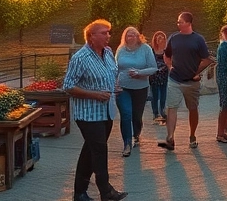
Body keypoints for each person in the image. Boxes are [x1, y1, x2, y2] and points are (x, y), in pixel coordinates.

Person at [64, 20, 128, 201]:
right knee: (99, 152)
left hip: (106, 112)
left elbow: (111, 74)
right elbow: (68, 86)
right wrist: (94, 94)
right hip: (88, 115)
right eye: (104, 33)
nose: (108, 36)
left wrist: (114, 87)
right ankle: (106, 192)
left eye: (109, 32)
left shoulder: (108, 53)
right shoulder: (80, 58)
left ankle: (79, 193)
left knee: (90, 152)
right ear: (91, 36)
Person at [159, 11, 211, 151]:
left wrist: (196, 72)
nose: (178, 24)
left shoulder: (198, 39)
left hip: (191, 82)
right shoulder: (173, 38)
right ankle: (170, 137)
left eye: (180, 22)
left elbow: (207, 59)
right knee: (172, 107)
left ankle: (192, 135)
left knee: (192, 109)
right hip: (175, 79)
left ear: (188, 23)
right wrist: (169, 66)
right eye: (178, 22)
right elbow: (166, 55)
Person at [114, 26, 156, 157]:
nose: (131, 37)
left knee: (136, 116)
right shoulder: (121, 49)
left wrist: (139, 73)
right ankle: (127, 143)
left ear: (138, 37)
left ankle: (136, 134)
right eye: (129, 35)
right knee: (126, 114)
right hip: (123, 87)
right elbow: (115, 68)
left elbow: (153, 68)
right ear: (125, 37)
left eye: (134, 35)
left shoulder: (146, 49)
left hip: (140, 88)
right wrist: (114, 83)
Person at [147, 31, 169, 125]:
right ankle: (155, 113)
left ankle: (163, 112)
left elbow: (170, 61)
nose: (160, 40)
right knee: (154, 95)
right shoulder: (151, 51)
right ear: (155, 40)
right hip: (154, 75)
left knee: (163, 95)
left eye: (162, 38)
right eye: (158, 38)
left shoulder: (166, 50)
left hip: (164, 75)